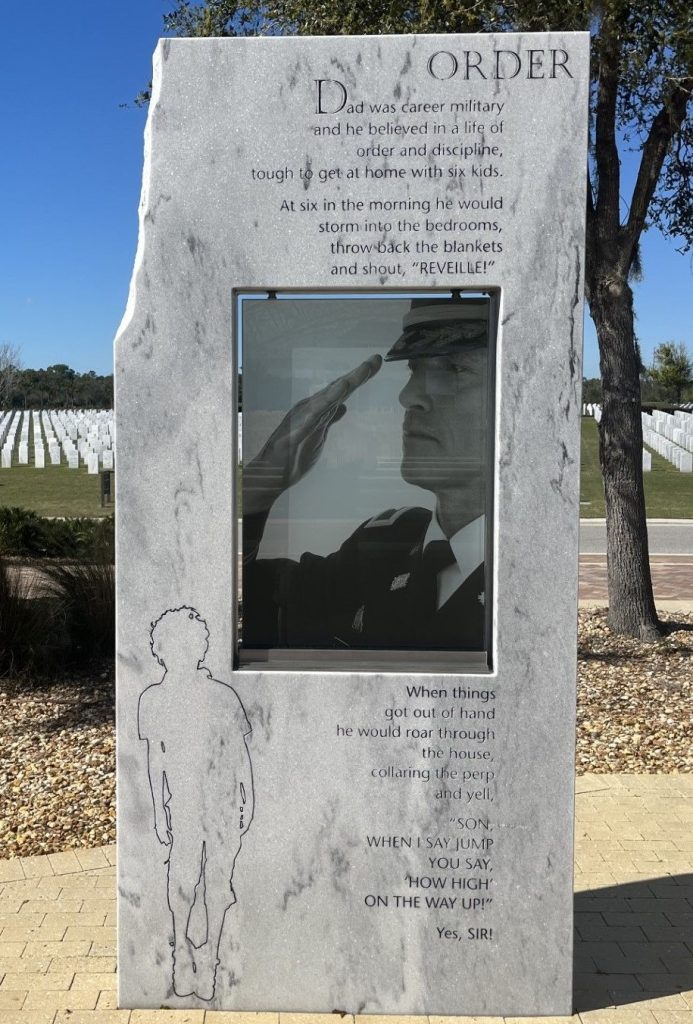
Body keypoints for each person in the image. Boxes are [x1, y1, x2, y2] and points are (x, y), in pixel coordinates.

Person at [242, 294, 489, 652]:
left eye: (453, 371)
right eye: (414, 372)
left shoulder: (529, 564)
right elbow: (233, 603)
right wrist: (258, 490)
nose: (408, 396)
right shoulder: (384, 546)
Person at [138, 607, 254, 1001]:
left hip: (222, 805)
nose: (182, 653)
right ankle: (180, 954)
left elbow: (240, 754)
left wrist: (247, 798)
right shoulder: (153, 700)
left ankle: (210, 962)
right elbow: (156, 761)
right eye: (173, 645)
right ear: (161, 650)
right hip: (183, 805)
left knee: (219, 883)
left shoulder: (223, 695)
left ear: (200, 648)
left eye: (190, 644)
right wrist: (157, 810)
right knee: (181, 880)